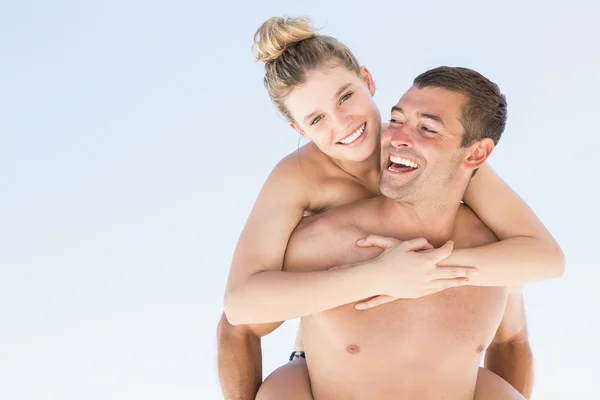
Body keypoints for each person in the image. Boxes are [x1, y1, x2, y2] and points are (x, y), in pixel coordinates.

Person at [217, 16, 563, 399]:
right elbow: (239, 306)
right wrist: (378, 276)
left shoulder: (429, 152)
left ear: (367, 80)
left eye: (345, 97)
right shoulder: (297, 177)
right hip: (331, 344)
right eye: (316, 119)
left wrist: (426, 270)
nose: (343, 123)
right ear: (299, 130)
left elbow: (544, 256)